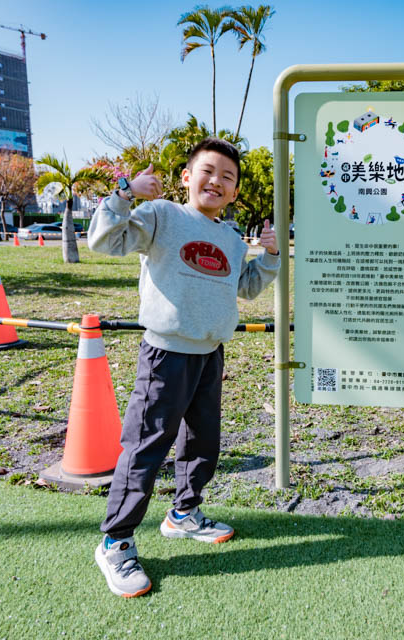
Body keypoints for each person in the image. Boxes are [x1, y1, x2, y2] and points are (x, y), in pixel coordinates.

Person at [88, 137, 280, 598]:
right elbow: (103, 240)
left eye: (228, 177)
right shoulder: (162, 216)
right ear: (186, 178)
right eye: (208, 171)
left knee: (203, 443)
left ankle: (183, 514)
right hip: (165, 354)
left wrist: (270, 255)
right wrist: (125, 191)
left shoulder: (232, 239)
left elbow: (248, 287)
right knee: (146, 448)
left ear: (234, 194)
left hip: (210, 353)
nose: (216, 181)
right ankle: (116, 541)